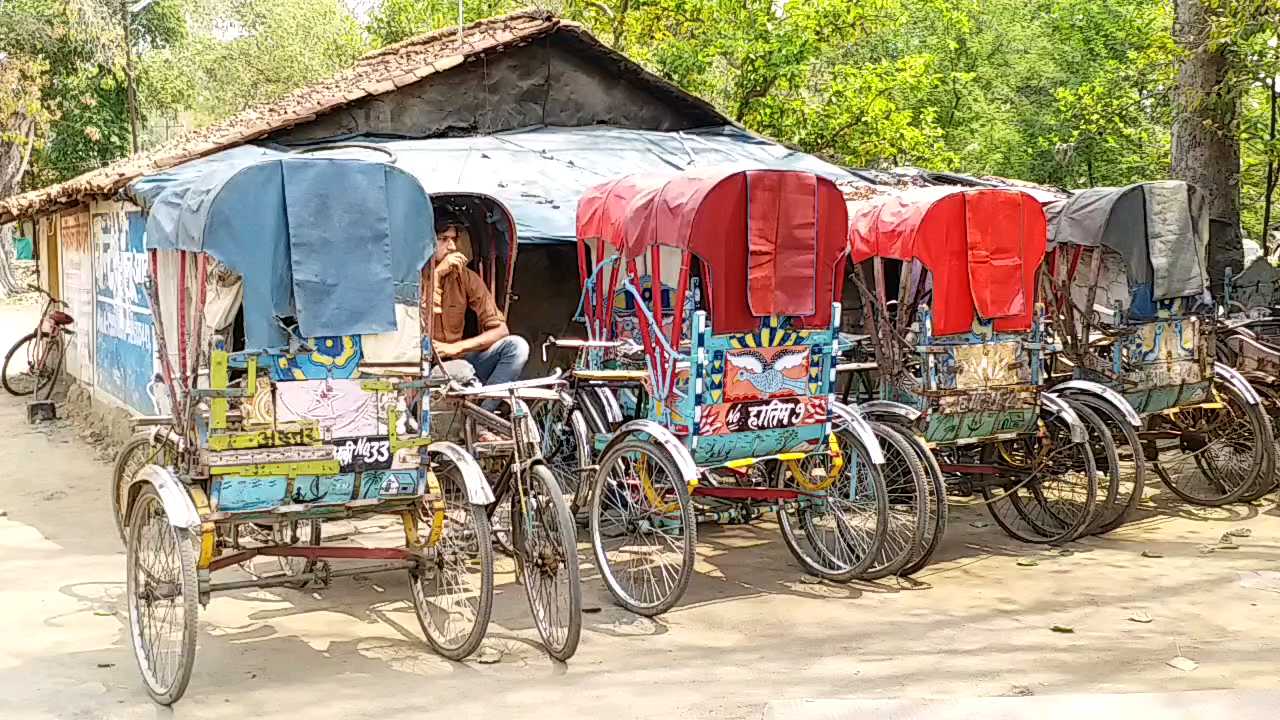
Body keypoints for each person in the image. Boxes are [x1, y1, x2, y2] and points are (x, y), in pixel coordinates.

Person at [424, 215, 528, 398]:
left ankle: (485, 414)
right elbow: (420, 319)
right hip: (423, 365)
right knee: (461, 369)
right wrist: (437, 275)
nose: (452, 247)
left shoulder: (466, 277)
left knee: (517, 347)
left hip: (458, 358)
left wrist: (456, 347)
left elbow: (500, 330)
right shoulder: (410, 277)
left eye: (454, 240)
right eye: (443, 239)